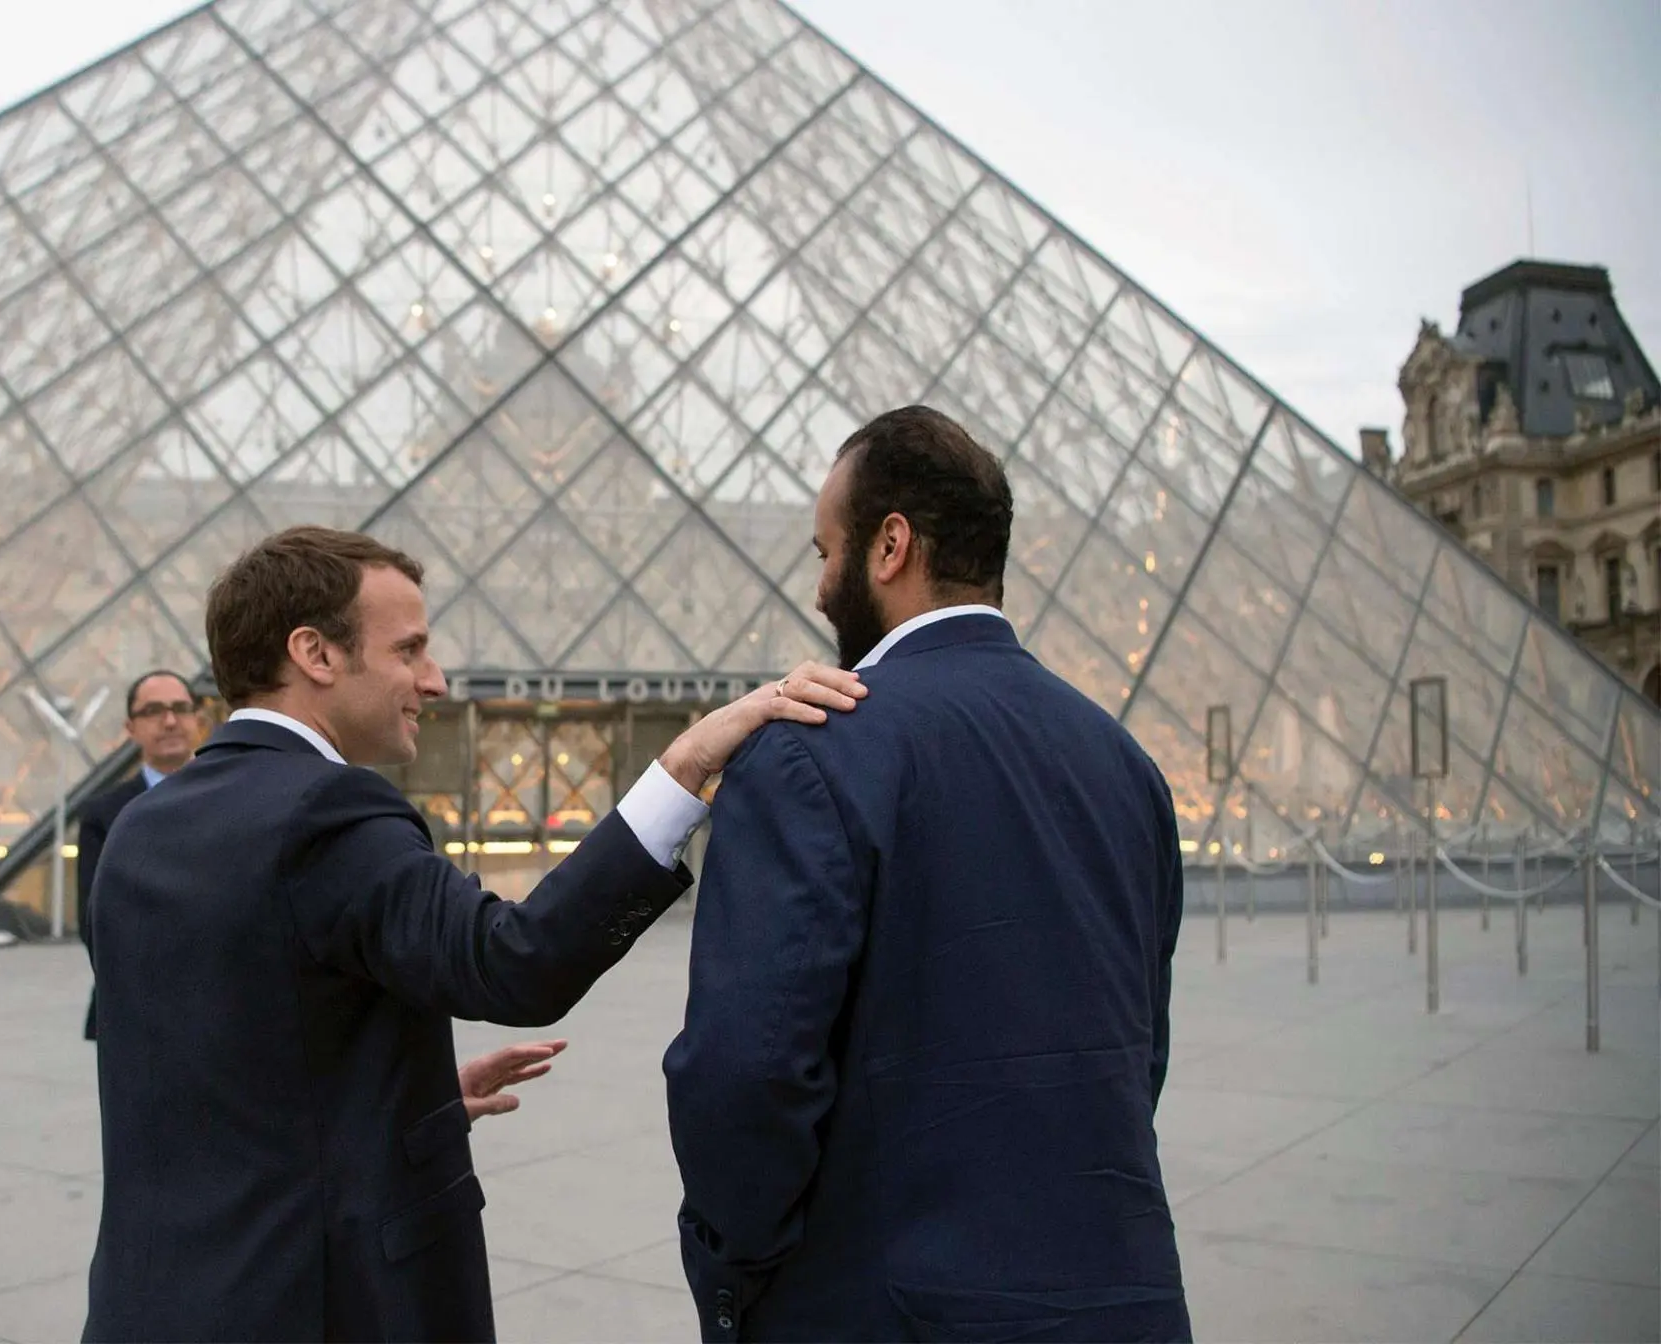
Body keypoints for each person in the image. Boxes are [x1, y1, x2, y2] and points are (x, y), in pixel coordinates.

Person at [82, 526, 862, 1344]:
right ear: (315, 653)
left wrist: (396, 1108)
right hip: (321, 1308)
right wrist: (687, 765)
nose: (435, 679)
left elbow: (208, 1068)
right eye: (409, 649)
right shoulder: (326, 810)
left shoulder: (139, 828)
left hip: (152, 1305)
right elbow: (516, 961)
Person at [664, 406, 1191, 1343]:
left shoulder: (808, 754)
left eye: (827, 550)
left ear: (890, 545)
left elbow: (744, 1075)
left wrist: (737, 1270)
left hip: (885, 1309)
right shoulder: (1125, 764)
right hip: (1122, 1303)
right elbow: (1137, 1051)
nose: (819, 586)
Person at [77, 670, 199, 1041]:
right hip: (136, 1009)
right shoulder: (102, 814)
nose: (170, 721)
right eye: (153, 711)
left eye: (180, 708)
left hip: (228, 1005)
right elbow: (96, 920)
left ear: (197, 719)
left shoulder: (240, 798)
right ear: (130, 728)